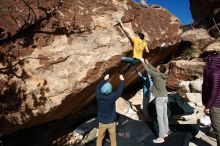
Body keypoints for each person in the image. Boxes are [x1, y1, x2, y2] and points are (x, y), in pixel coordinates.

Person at [141, 58, 169, 143]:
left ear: (158, 70)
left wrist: (142, 61)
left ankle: (161, 137)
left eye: (157, 67)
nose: (156, 67)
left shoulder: (156, 75)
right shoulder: (162, 75)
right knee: (164, 115)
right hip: (165, 97)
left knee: (159, 117)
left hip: (160, 98)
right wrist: (148, 63)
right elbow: (153, 69)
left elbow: (148, 70)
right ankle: (166, 131)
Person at [96, 74, 125, 146]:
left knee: (99, 138)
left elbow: (97, 87)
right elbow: (120, 90)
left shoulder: (98, 95)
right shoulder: (112, 96)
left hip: (102, 121)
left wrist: (104, 79)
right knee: (113, 139)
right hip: (111, 122)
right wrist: (122, 80)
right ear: (110, 90)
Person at [202, 55, 220, 146]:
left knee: (218, 130)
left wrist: (207, 106)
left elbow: (213, 92)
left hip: (215, 105)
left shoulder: (214, 73)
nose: (205, 64)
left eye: (207, 62)